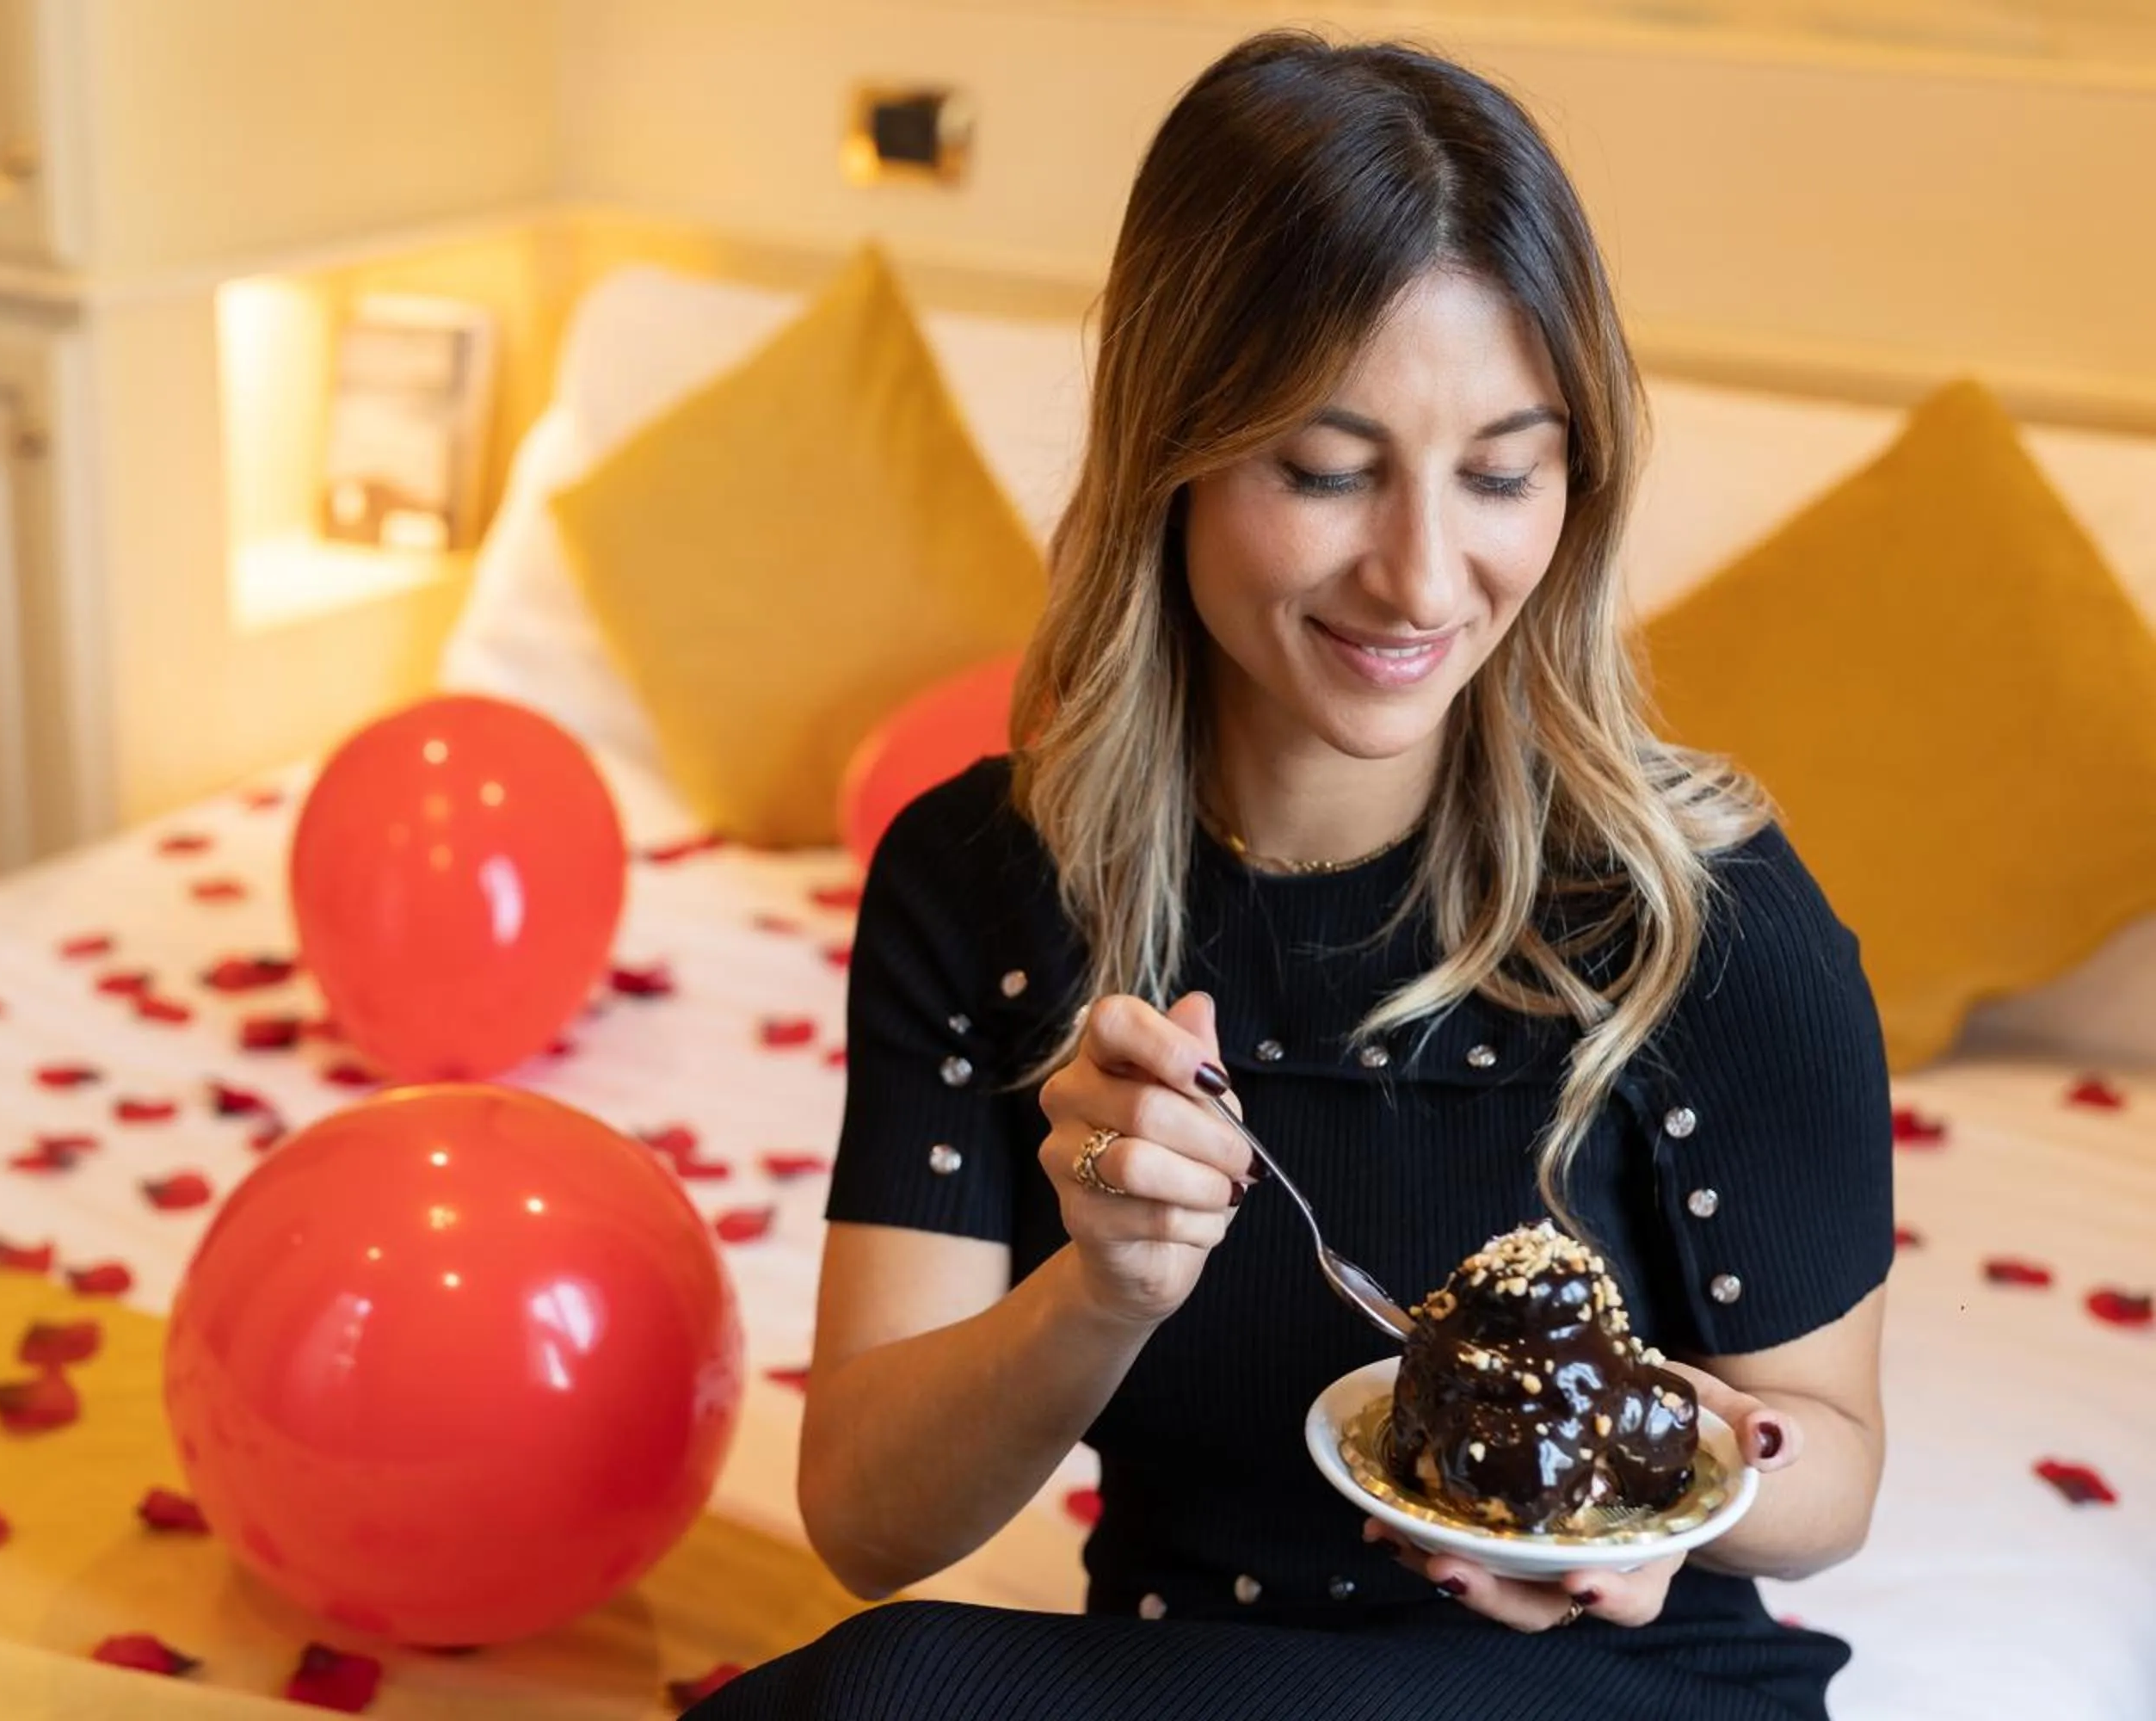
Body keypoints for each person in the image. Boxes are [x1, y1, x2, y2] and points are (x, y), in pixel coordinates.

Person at [689, 28, 1890, 1721]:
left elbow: (1831, 1463)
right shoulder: (984, 884)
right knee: (864, 1690)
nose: (1419, 576)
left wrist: (1690, 1494)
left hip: (1618, 1684)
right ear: (1173, 449)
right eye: (1325, 470)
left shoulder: (1707, 910)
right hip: (1188, 1670)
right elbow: (871, 1522)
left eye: (1499, 471)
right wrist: (1094, 1292)